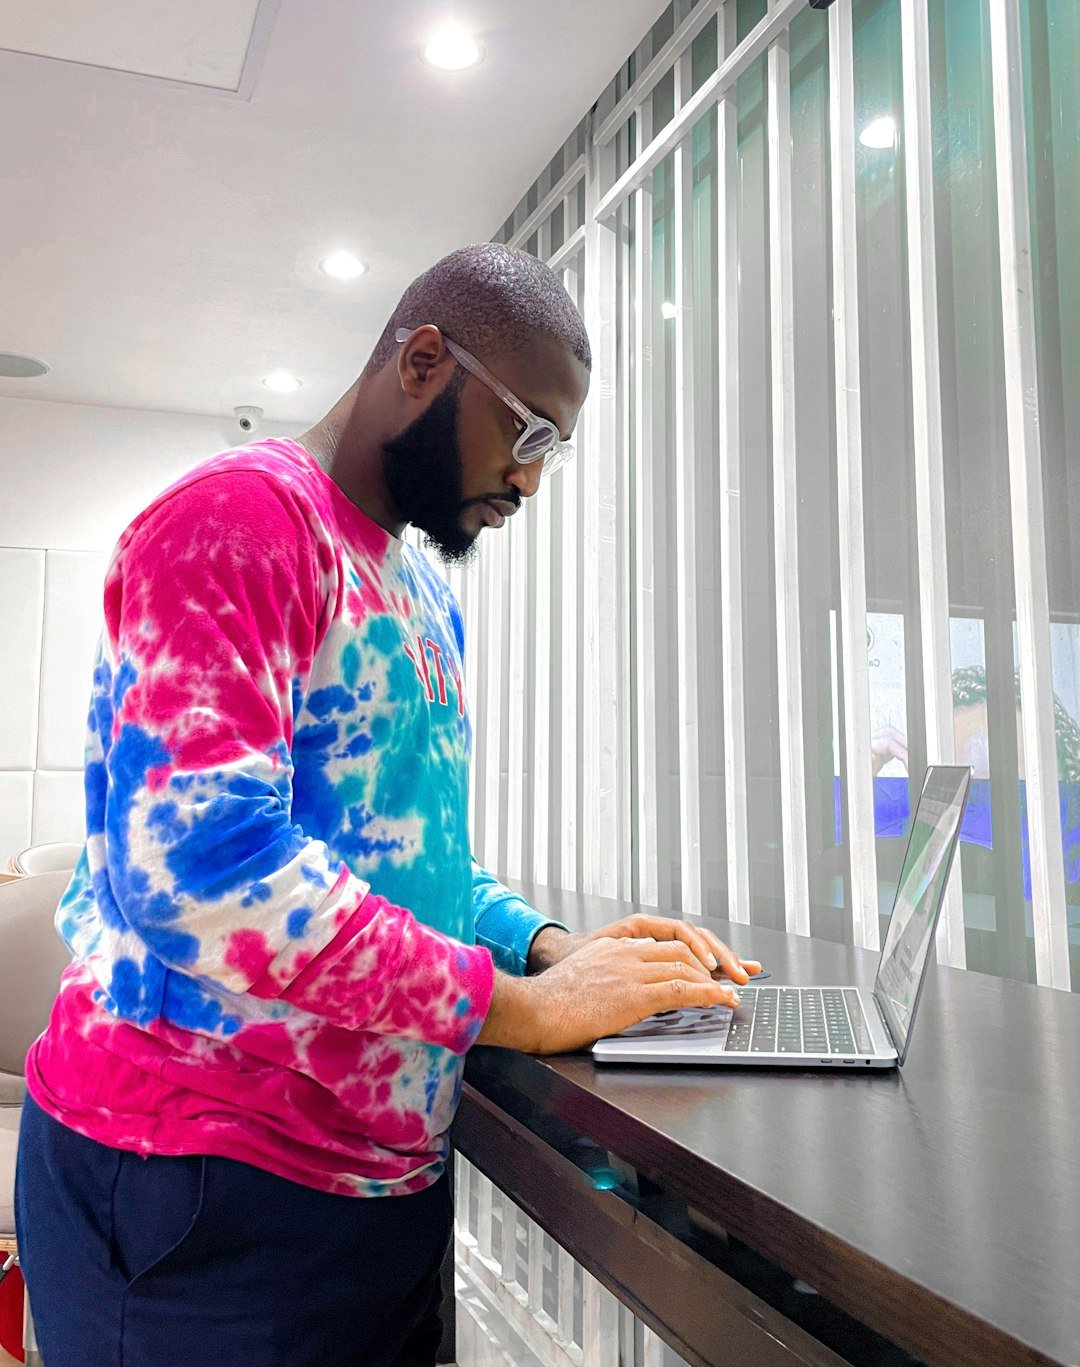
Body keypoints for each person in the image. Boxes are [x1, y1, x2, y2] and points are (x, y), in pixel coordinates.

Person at [16, 243, 759, 1367]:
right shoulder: (238, 521)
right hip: (197, 1189)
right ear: (423, 362)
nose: (532, 480)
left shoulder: (414, 590)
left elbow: (410, 857)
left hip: (378, 1188)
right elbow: (205, 870)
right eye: (530, 433)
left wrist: (547, 948)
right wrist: (523, 1007)